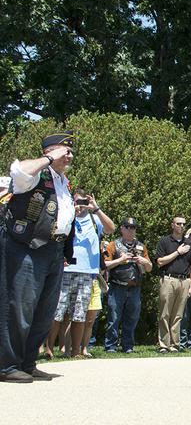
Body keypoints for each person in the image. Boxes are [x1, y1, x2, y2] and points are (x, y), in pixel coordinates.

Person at [0, 132, 77, 383]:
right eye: (65, 150)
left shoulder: (63, 182)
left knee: (44, 312)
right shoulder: (35, 175)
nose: (70, 155)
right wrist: (46, 159)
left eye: (71, 151)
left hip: (54, 250)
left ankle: (28, 362)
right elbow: (18, 171)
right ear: (51, 150)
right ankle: (7, 365)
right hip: (27, 248)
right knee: (20, 307)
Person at [46, 189, 115, 358]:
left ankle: (76, 351)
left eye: (84, 202)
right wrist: (71, 211)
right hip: (66, 271)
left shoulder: (94, 219)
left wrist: (96, 208)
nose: (81, 206)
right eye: (78, 202)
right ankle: (48, 349)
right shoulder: (67, 217)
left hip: (87, 273)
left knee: (80, 313)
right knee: (58, 311)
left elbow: (111, 228)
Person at [103, 217, 151, 353]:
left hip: (135, 286)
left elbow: (149, 268)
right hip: (117, 286)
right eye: (128, 227)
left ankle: (128, 346)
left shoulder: (141, 246)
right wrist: (121, 259)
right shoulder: (113, 244)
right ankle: (111, 345)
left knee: (132, 318)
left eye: (133, 227)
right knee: (114, 317)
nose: (131, 230)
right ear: (122, 228)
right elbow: (105, 264)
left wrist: (144, 261)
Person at [155, 216, 191, 353]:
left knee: (178, 315)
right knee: (165, 313)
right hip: (168, 279)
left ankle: (174, 344)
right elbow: (160, 261)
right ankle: (163, 345)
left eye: (184, 224)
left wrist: (190, 286)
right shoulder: (165, 241)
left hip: (184, 281)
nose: (182, 226)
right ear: (172, 225)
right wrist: (178, 252)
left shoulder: (189, 243)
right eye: (179, 224)